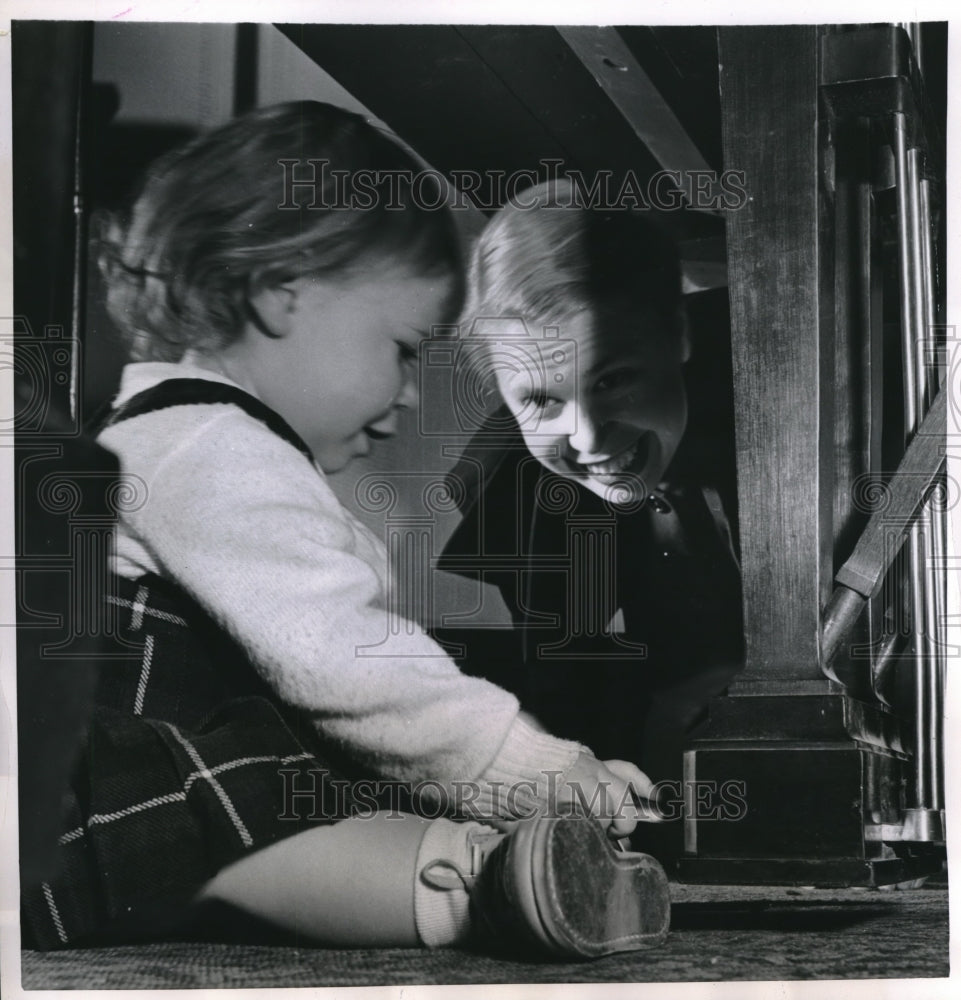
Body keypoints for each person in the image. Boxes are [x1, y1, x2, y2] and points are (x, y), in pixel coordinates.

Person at [20, 104, 670, 958]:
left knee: (294, 799)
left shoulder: (197, 437)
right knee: (242, 813)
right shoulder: (207, 442)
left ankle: (515, 867)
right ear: (280, 293)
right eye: (403, 349)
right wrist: (527, 767)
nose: (407, 396)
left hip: (134, 798)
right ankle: (482, 884)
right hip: (86, 796)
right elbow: (338, 658)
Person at [439, 181, 744, 801]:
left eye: (614, 379)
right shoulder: (518, 487)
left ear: (678, 336)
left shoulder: (808, 382)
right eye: (540, 401)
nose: (585, 440)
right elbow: (566, 696)